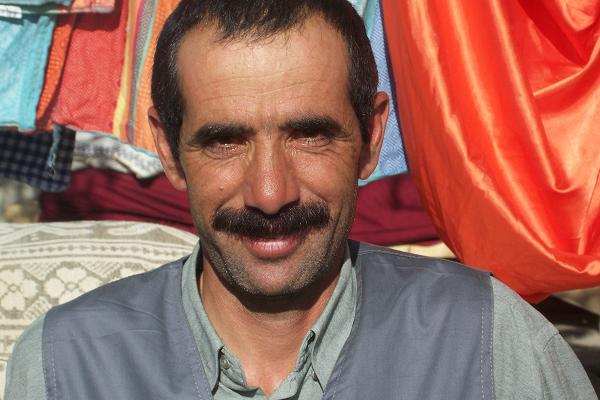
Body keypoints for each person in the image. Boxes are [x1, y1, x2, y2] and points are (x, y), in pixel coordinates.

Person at [4, 1, 597, 399]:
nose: (270, 194)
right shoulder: (65, 368)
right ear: (169, 149)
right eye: (225, 141)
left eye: (310, 135)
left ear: (372, 138)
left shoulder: (491, 343)